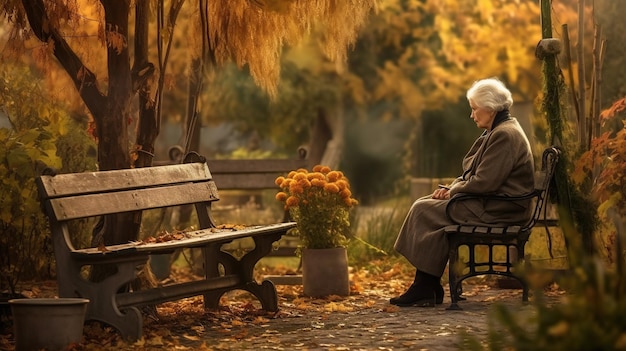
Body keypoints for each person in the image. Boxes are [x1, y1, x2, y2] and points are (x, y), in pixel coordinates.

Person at [391, 78, 535, 307]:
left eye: (474, 109)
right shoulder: (499, 129)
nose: (472, 115)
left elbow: (485, 182)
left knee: (423, 209)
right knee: (426, 203)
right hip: (491, 202)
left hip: (501, 209)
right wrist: (451, 188)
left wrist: (454, 191)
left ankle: (425, 286)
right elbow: (478, 176)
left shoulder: (504, 134)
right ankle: (427, 286)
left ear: (490, 108)